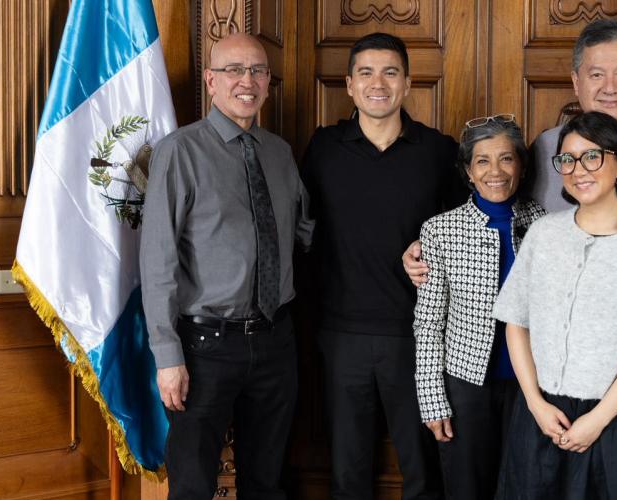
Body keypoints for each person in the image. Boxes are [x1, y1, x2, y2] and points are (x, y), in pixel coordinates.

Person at [404, 20, 617, 499]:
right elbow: (513, 219)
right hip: (563, 366)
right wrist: (429, 245)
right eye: (596, 74)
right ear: (576, 81)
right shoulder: (546, 148)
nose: (609, 86)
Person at [140, 33, 313, 499]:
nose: (248, 80)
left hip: (276, 342)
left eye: (258, 71)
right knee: (193, 485)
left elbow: (303, 234)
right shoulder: (179, 152)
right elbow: (157, 259)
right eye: (235, 70)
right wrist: (167, 355)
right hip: (204, 348)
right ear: (211, 81)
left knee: (268, 482)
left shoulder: (279, 153)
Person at [301, 32, 465, 500]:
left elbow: (463, 234)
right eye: (366, 73)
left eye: (390, 72)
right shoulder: (324, 147)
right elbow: (299, 230)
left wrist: (432, 250)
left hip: (417, 336)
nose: (379, 83)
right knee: (347, 469)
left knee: (422, 466)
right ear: (349, 85)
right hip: (340, 334)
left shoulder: (438, 150)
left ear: (408, 83)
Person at [493, 111, 617, 499]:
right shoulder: (544, 234)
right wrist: (534, 403)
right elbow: (516, 322)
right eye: (568, 159)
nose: (579, 169)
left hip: (615, 419)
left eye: (592, 156)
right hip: (541, 415)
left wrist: (597, 420)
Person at [413, 115, 545, 499]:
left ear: (521, 165)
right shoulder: (440, 230)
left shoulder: (545, 223)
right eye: (482, 161)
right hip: (465, 384)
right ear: (468, 171)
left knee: (527, 485)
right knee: (467, 487)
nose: (496, 171)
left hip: (531, 385)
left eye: (506, 159)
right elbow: (428, 323)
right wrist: (432, 399)